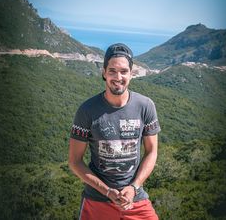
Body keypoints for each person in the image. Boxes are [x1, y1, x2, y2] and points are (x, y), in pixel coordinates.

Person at [69, 43, 161, 220]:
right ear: (103, 73)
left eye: (124, 71)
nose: (118, 77)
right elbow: (75, 161)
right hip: (97, 199)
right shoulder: (86, 110)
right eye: (112, 71)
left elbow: (152, 152)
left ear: (131, 73)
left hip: (135, 198)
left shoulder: (145, 106)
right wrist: (107, 191)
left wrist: (134, 187)